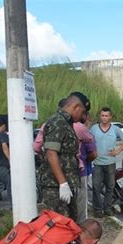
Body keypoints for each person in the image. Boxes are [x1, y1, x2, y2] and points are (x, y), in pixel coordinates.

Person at [38, 92, 90, 221]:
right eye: (82, 111)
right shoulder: (58, 122)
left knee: (69, 224)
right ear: (76, 107)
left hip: (66, 183)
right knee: (58, 225)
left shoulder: (67, 123)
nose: (82, 116)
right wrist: (63, 183)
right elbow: (51, 153)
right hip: (55, 186)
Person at [90, 107, 123, 217]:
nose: (104, 118)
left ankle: (107, 207)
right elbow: (88, 141)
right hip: (97, 163)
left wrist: (118, 150)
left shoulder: (115, 129)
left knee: (110, 187)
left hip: (110, 162)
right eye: (102, 115)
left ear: (110, 117)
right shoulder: (94, 128)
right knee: (96, 186)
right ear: (100, 116)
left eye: (106, 116)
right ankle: (97, 209)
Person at [74, 112, 97, 222]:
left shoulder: (60, 127)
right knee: (81, 202)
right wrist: (85, 160)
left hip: (62, 173)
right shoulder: (84, 131)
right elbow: (93, 154)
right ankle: (81, 227)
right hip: (81, 171)